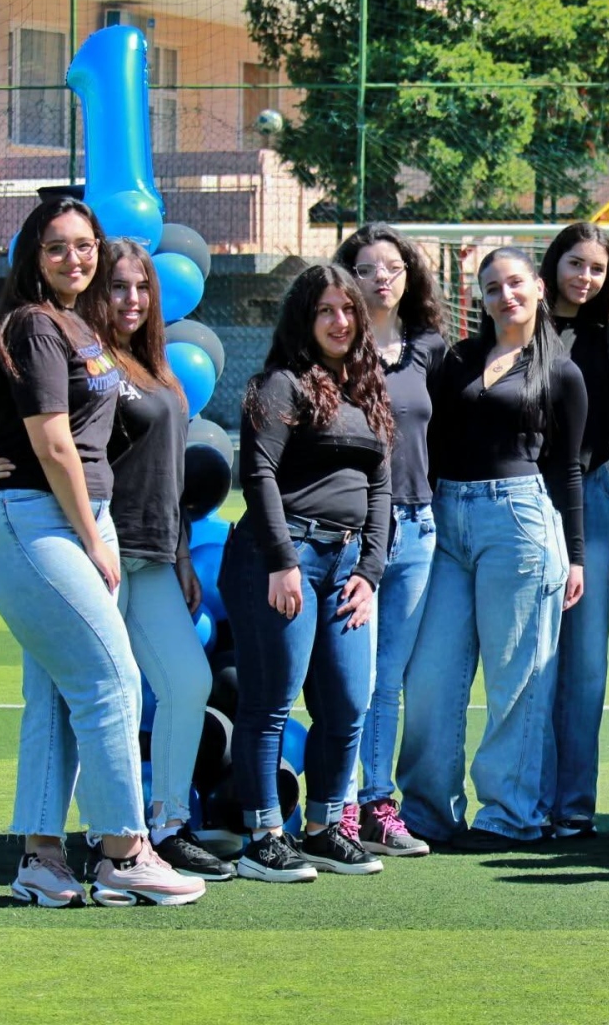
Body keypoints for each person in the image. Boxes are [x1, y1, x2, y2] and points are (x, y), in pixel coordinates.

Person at [0, 197, 205, 906]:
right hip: (38, 520)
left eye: (84, 244)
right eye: (57, 247)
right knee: (114, 679)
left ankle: (41, 859)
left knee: (54, 693)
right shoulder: (35, 323)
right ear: (34, 258)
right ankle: (124, 853)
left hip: (67, 517)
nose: (75, 258)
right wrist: (95, 539)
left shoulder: (77, 325)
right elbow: (53, 443)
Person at [396, 246, 586, 852]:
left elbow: (568, 470)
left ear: (538, 288)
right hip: (446, 520)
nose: (506, 296)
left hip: (520, 522)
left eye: (516, 283)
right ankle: (427, 812)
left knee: (517, 679)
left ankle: (510, 814)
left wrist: (576, 555)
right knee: (430, 676)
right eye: (493, 287)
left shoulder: (561, 371)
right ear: (479, 298)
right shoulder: (456, 359)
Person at [225, 264, 394, 882]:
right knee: (272, 700)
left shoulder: (368, 390)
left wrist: (370, 571)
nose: (339, 321)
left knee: (348, 702)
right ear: (304, 318)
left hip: (347, 567)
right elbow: (259, 474)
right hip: (281, 559)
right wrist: (281, 561)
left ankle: (322, 829)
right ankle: (263, 837)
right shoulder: (281, 384)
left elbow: (381, 489)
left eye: (347, 309)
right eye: (325, 310)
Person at [333, 223, 448, 858]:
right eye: (368, 267)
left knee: (388, 677)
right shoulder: (333, 346)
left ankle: (378, 803)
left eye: (394, 267)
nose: (382, 277)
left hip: (419, 527)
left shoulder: (430, 347)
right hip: (354, 533)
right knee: (352, 674)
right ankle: (339, 806)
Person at [538, 222, 609, 838]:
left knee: (587, 662)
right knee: (532, 660)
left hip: (590, 499)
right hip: (524, 500)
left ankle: (574, 805)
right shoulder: (520, 329)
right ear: (553, 264)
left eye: (597, 268)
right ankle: (529, 801)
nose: (585, 277)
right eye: (576, 263)